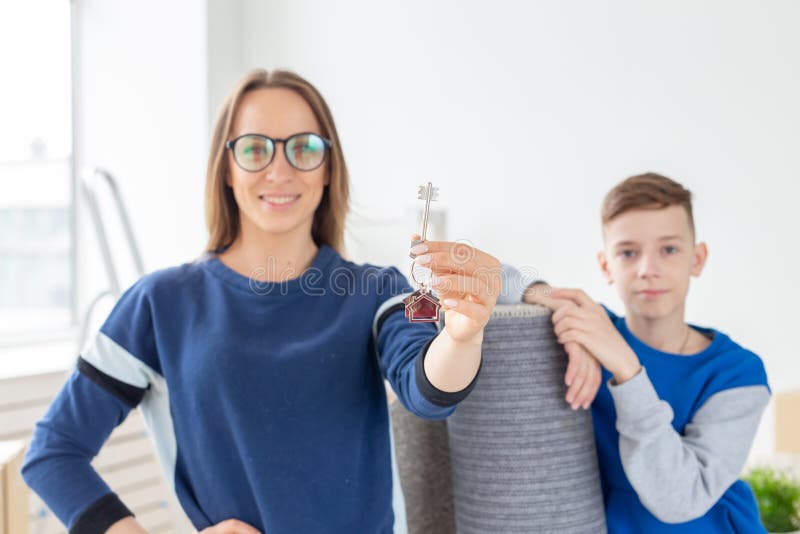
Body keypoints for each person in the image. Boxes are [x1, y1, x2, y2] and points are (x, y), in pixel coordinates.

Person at [21, 69, 505, 534]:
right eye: (255, 149)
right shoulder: (159, 304)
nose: (280, 169)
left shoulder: (377, 290)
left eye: (304, 148)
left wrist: (462, 335)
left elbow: (429, 391)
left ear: (329, 170)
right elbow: (53, 451)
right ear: (227, 170)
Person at [505, 173, 770, 532]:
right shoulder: (591, 329)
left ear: (697, 258)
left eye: (669, 249)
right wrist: (551, 300)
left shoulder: (738, 373)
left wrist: (627, 369)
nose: (648, 270)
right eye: (628, 253)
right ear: (605, 265)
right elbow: (485, 276)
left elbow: (681, 499)